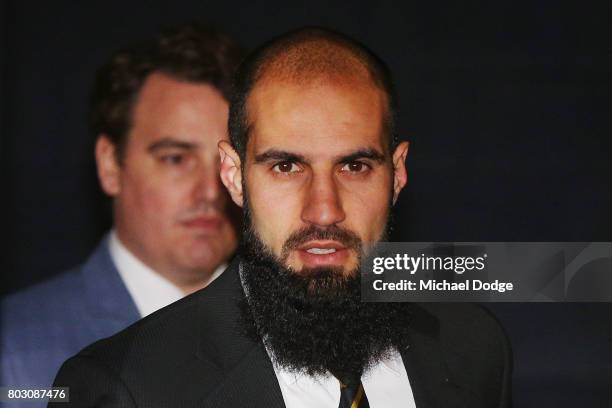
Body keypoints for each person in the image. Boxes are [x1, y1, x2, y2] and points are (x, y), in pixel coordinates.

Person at [50, 27, 511, 408]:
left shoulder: (473, 347)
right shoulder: (124, 389)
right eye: (286, 166)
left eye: (355, 166)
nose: (324, 209)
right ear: (233, 175)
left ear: (397, 173)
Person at [1, 24, 242, 393]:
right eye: (176, 159)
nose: (211, 190)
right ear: (110, 165)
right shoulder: (14, 350)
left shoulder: (291, 333)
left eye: (229, 164)